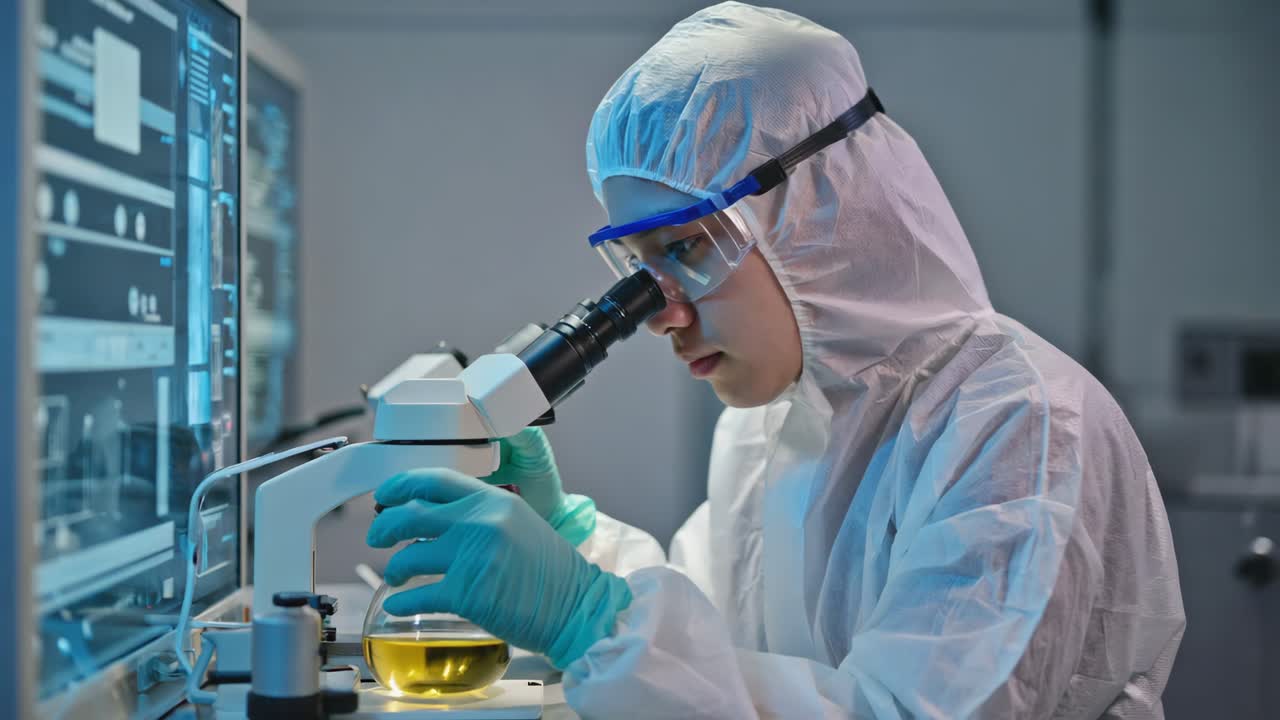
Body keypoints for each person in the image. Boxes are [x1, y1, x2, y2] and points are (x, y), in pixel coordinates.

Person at [365, 3, 1186, 717]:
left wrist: (585, 616)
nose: (663, 315)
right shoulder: (776, 425)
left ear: (818, 212)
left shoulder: (1021, 429)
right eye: (641, 271)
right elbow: (720, 664)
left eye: (687, 249)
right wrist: (572, 549)